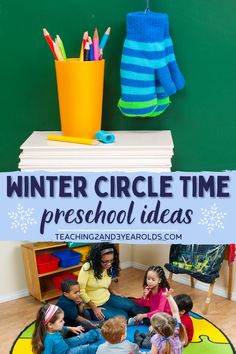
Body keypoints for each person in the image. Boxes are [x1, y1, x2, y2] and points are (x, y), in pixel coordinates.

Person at [78, 242, 139, 320]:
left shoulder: (108, 266)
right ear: (97, 259)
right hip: (93, 304)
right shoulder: (87, 267)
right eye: (105, 261)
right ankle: (92, 313)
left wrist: (114, 292)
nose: (109, 264)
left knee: (133, 306)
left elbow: (105, 282)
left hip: (107, 297)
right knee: (123, 317)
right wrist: (94, 308)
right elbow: (81, 291)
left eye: (111, 260)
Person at [32, 303, 103, 354]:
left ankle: (100, 334)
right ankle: (105, 346)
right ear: (50, 325)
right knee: (88, 348)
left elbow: (62, 327)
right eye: (61, 321)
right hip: (66, 352)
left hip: (65, 344)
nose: (64, 322)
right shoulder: (48, 340)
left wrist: (70, 328)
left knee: (86, 336)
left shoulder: (52, 329)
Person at [148, 289, 188, 354]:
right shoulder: (178, 329)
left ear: (157, 330)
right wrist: (169, 297)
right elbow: (175, 311)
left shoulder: (157, 339)